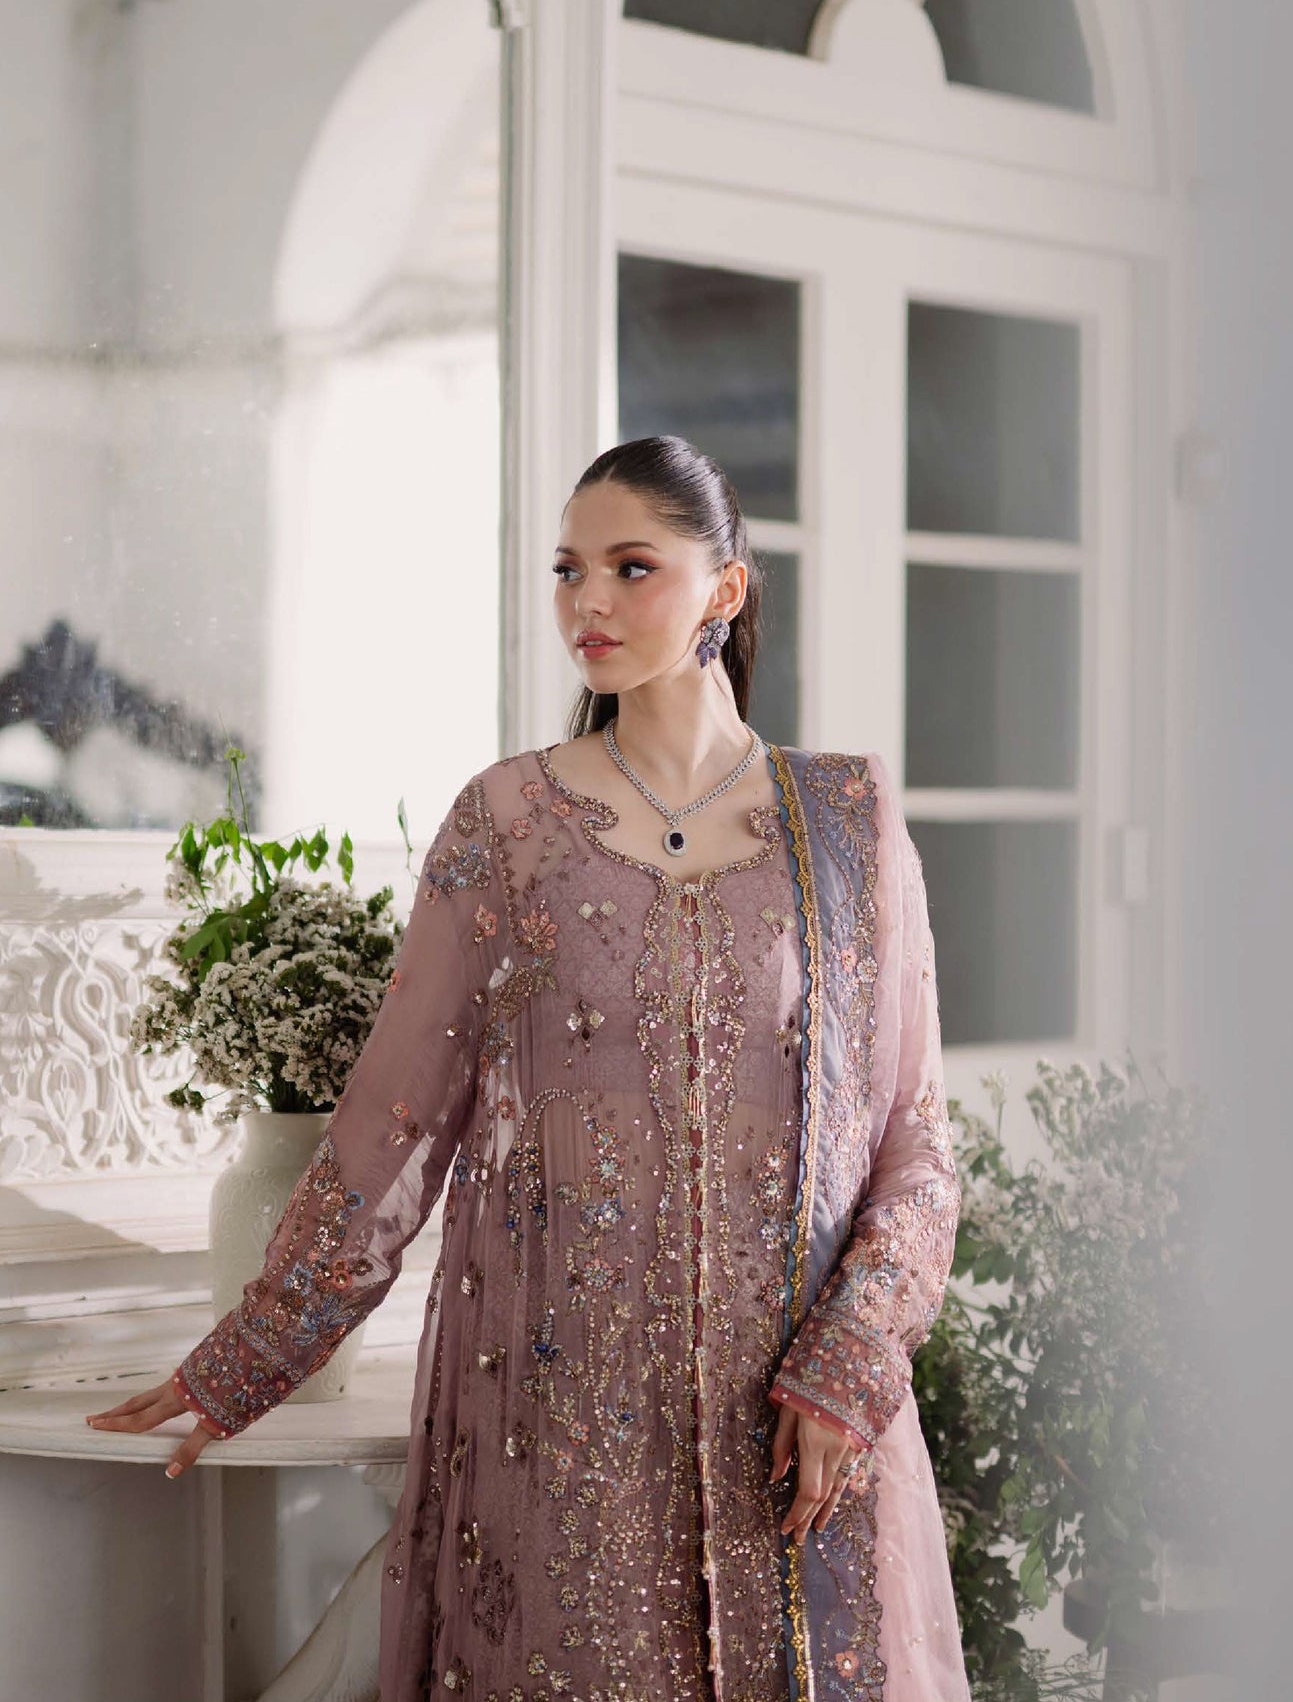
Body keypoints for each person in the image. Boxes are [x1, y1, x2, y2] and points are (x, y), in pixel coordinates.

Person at [87, 435, 969, 1701]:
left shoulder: (847, 825)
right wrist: (244, 1361)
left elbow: (915, 1147)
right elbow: (393, 1128)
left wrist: (848, 1371)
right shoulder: (506, 825)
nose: (587, 602)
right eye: (568, 570)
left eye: (630, 567)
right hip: (563, 1440)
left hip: (795, 1437)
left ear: (723, 590)